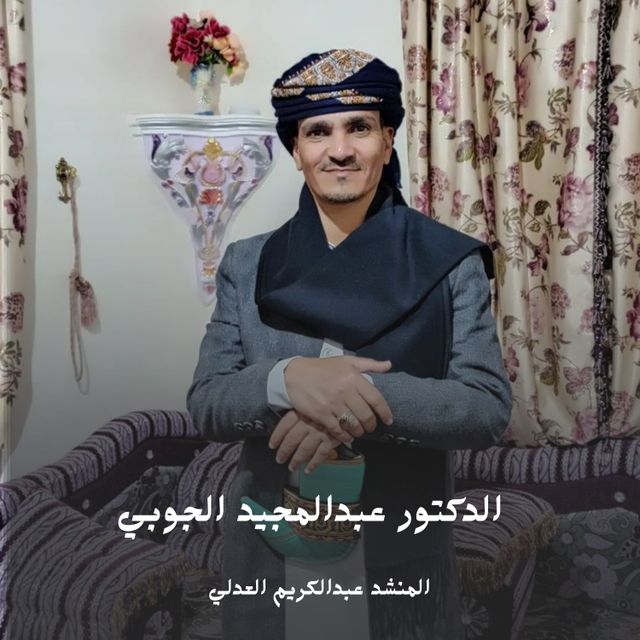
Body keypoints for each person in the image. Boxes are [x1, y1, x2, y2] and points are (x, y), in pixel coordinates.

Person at [187, 48, 512, 640]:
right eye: (318, 132)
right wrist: (285, 380)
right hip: (271, 562)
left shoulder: (449, 263)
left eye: (359, 127)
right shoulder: (247, 263)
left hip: (400, 559)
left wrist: (347, 397)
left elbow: (485, 408)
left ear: (387, 141)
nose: (339, 149)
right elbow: (208, 402)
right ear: (295, 150)